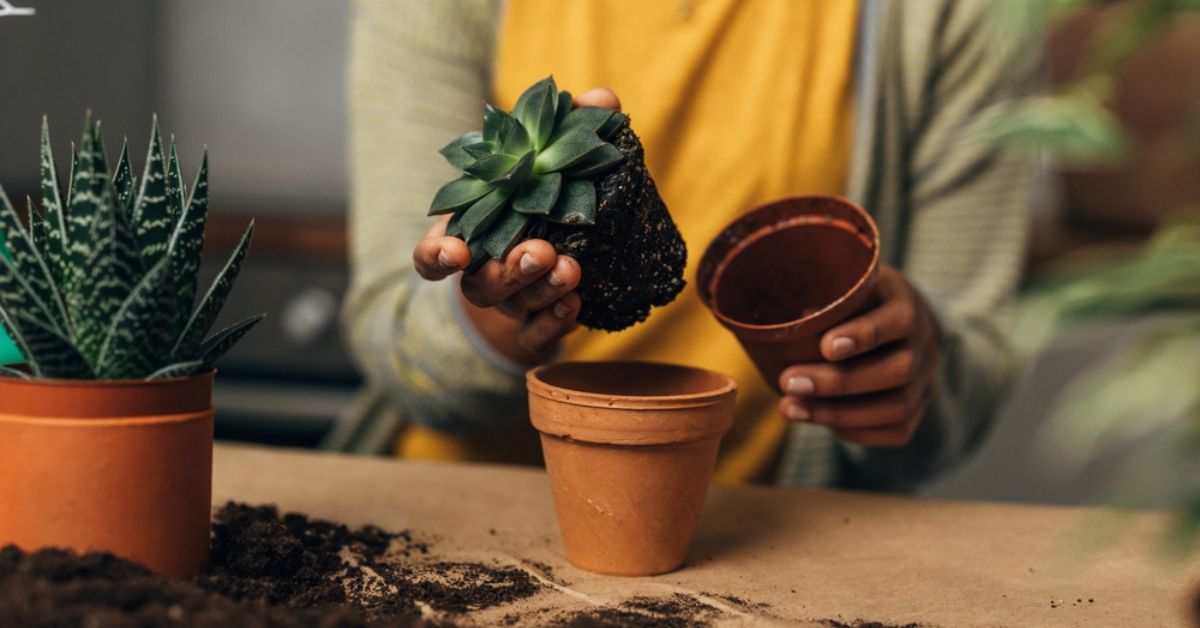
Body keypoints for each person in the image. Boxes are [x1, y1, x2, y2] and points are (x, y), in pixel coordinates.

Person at [325, 0, 1038, 490]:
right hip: (463, 519)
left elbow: (959, 386)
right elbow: (399, 344)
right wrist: (498, 307)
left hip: (773, 541)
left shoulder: (955, 16)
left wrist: (908, 373)